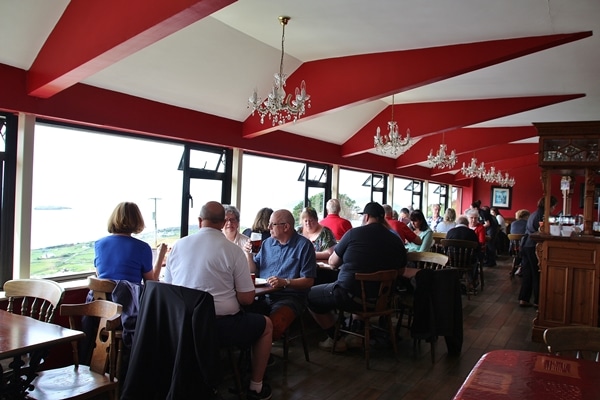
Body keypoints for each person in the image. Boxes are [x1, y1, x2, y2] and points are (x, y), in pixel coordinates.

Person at [163, 201, 273, 400]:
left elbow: (169, 289)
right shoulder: (233, 251)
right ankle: (255, 386)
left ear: (199, 221)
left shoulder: (179, 245)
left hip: (181, 325)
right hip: (218, 327)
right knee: (266, 325)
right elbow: (247, 299)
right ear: (223, 223)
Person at [307, 202, 406, 351]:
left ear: (366, 217)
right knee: (360, 288)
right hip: (382, 301)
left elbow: (332, 263)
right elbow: (401, 271)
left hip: (349, 295)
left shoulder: (354, 234)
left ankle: (336, 338)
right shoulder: (396, 241)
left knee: (309, 296)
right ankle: (356, 334)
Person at [245, 209, 317, 341]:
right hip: (263, 296)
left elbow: (309, 281)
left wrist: (285, 282)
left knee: (273, 326)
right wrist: (249, 254)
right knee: (241, 316)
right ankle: (252, 355)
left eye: (272, 224)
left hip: (291, 298)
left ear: (286, 227)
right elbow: (254, 270)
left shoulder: (303, 246)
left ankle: (262, 357)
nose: (268, 227)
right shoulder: (267, 244)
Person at [94, 201, 167, 283]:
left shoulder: (98, 244)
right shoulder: (142, 248)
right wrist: (161, 255)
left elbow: (100, 274)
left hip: (101, 295)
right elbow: (151, 283)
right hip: (129, 295)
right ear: (137, 220)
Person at [519, 195, 557, 308]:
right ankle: (538, 301)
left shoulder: (533, 213)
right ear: (550, 206)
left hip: (525, 245)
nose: (554, 209)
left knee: (528, 273)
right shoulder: (543, 215)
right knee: (537, 273)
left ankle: (524, 299)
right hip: (534, 246)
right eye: (554, 206)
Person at [446, 215, 480, 283]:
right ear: (467, 224)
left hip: (451, 260)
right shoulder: (472, 233)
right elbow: (477, 248)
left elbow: (446, 247)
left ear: (457, 223)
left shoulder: (450, 232)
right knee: (476, 259)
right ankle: (472, 281)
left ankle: (451, 281)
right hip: (468, 261)